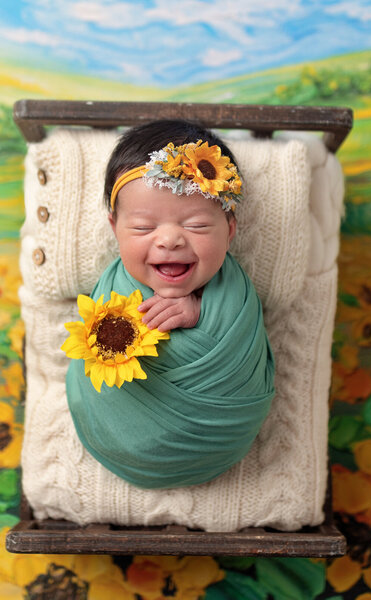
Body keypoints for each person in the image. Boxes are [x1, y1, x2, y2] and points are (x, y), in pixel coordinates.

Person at [65, 120, 276, 489]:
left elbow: (243, 334)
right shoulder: (112, 287)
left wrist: (202, 314)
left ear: (229, 229)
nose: (169, 240)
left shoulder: (233, 289)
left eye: (195, 225)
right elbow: (91, 365)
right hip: (120, 438)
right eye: (144, 228)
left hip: (217, 438)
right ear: (115, 228)